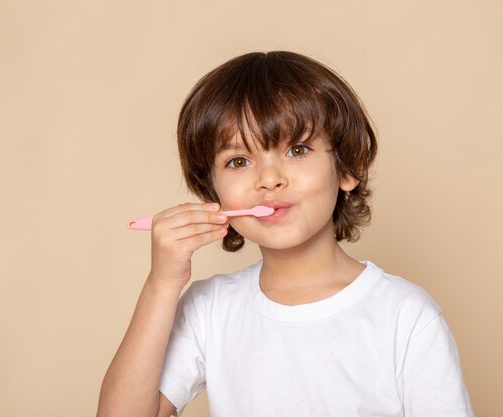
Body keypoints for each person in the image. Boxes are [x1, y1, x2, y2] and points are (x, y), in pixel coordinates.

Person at [96, 51, 474, 417]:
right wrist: (162, 282)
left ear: (347, 169)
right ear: (213, 193)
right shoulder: (210, 310)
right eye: (238, 161)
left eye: (297, 149)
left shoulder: (406, 316)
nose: (269, 179)